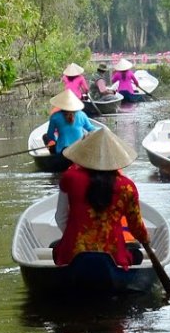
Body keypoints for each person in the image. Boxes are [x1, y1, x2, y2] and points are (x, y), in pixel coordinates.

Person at [53, 129, 149, 269]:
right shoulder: (127, 186)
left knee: (56, 250)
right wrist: (145, 240)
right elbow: (136, 226)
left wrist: (70, 237)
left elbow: (60, 217)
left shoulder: (70, 178)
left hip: (73, 253)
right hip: (114, 255)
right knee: (136, 255)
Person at [42, 89, 99, 156]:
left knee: (45, 136)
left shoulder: (55, 117)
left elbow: (50, 135)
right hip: (79, 149)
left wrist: (56, 141)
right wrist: (101, 130)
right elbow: (91, 129)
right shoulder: (82, 114)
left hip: (62, 150)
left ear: (61, 104)